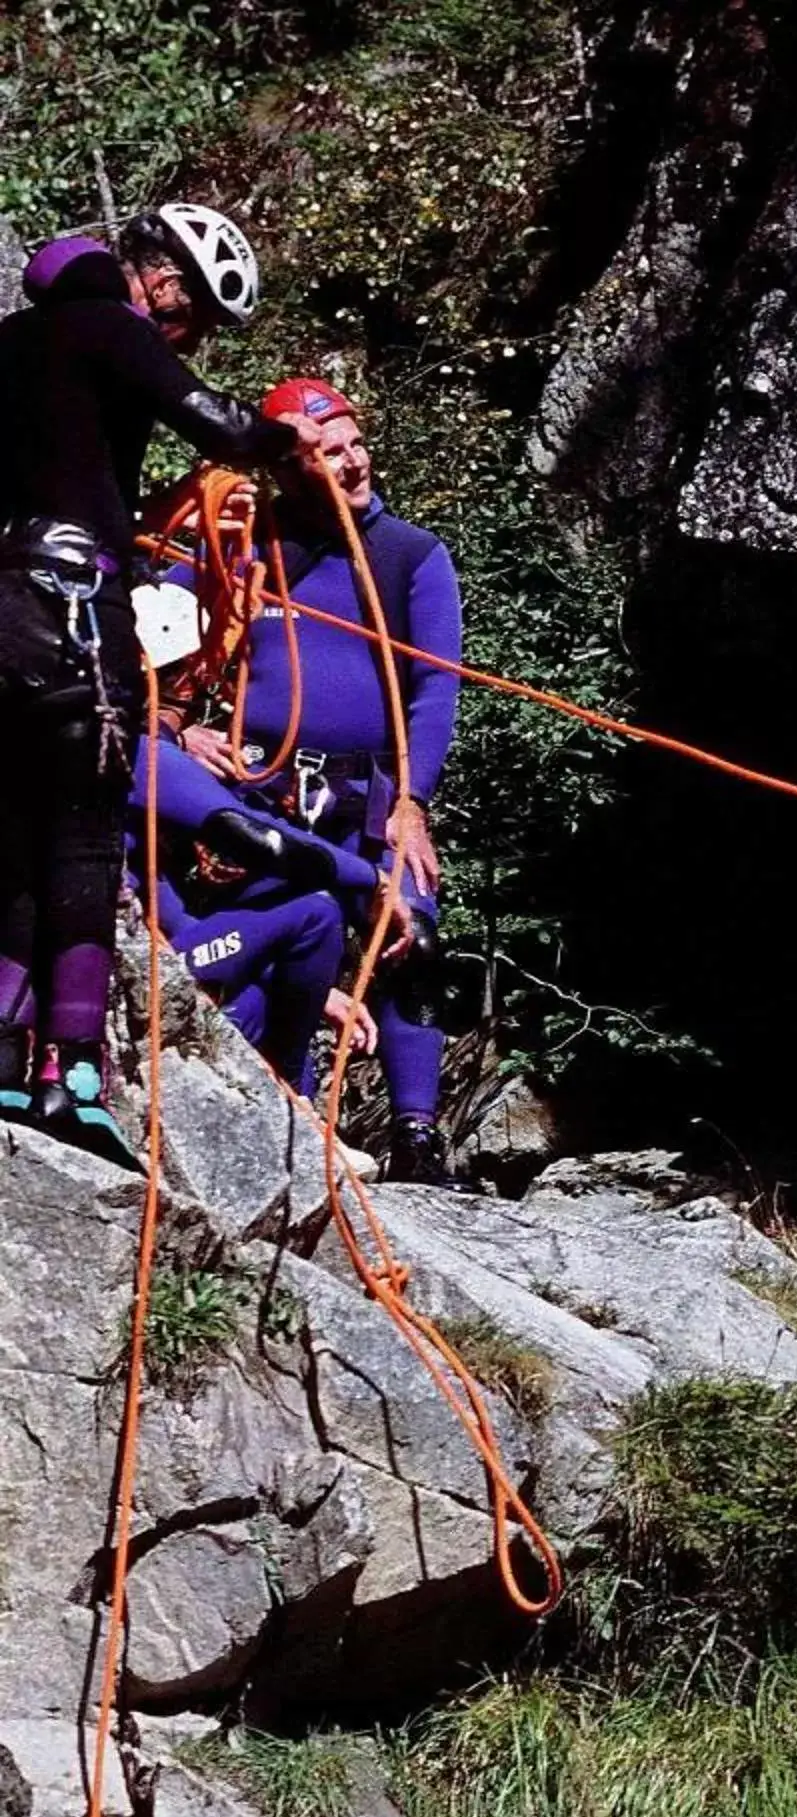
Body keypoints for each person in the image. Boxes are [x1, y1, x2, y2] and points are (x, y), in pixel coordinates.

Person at [0, 207, 318, 1165]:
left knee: (11, 831)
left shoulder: (11, 339)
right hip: (70, 611)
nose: (190, 337)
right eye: (198, 319)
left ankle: (7, 1060)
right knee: (84, 835)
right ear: (163, 280)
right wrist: (281, 439)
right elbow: (212, 421)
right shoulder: (114, 327)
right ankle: (77, 1076)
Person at [159, 375, 463, 1183]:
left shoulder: (409, 557)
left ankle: (418, 1137)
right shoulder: (244, 548)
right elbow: (154, 646)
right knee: (279, 928)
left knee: (412, 931)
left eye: (357, 444)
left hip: (371, 794)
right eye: (331, 453)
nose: (355, 463)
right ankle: (280, 1112)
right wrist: (182, 731)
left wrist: (412, 804)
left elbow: (436, 689)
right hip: (265, 785)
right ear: (290, 468)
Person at [129, 731, 380, 1081]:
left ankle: (292, 1091)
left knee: (264, 1005)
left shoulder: (138, 745)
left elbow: (168, 911)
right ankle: (290, 1089)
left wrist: (318, 994)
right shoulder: (139, 750)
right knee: (316, 915)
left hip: (151, 953)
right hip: (128, 964)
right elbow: (259, 837)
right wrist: (378, 880)